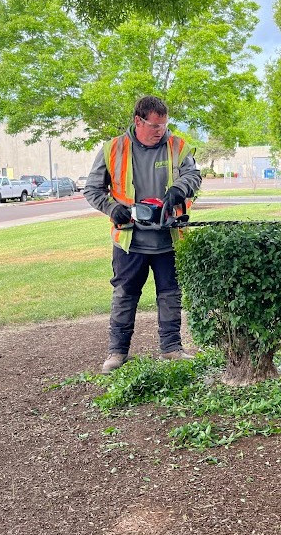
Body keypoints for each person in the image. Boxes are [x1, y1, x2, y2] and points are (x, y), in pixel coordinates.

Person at [84, 95, 202, 374]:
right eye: (154, 125)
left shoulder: (177, 145)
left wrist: (180, 189)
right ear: (138, 121)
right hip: (130, 240)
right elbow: (92, 190)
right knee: (124, 295)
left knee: (171, 295)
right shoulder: (113, 149)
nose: (161, 130)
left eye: (164, 125)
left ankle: (172, 348)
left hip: (169, 238)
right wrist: (113, 209)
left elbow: (194, 176)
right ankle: (118, 352)